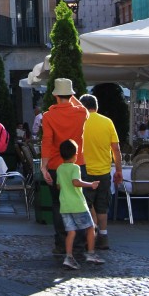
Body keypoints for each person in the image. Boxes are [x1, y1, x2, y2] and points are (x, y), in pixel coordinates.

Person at [40, 78, 89, 256]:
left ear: (54, 95)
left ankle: (61, 244)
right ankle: (78, 245)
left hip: (55, 165)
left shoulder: (49, 116)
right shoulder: (80, 113)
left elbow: (46, 141)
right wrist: (72, 96)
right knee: (78, 204)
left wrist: (44, 167)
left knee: (58, 205)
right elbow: (82, 107)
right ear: (71, 95)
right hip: (77, 165)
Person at [80, 94, 123, 250]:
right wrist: (118, 170)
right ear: (96, 107)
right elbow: (116, 149)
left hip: (86, 170)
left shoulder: (80, 122)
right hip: (104, 171)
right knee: (102, 205)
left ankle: (92, 234)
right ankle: (103, 237)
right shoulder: (107, 122)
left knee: (87, 204)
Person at [56, 138, 104, 271]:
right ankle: (91, 253)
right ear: (75, 155)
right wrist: (91, 184)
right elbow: (76, 182)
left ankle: (69, 257)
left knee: (71, 232)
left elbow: (59, 186)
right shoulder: (75, 167)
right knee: (90, 228)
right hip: (78, 204)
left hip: (65, 206)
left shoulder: (60, 169)